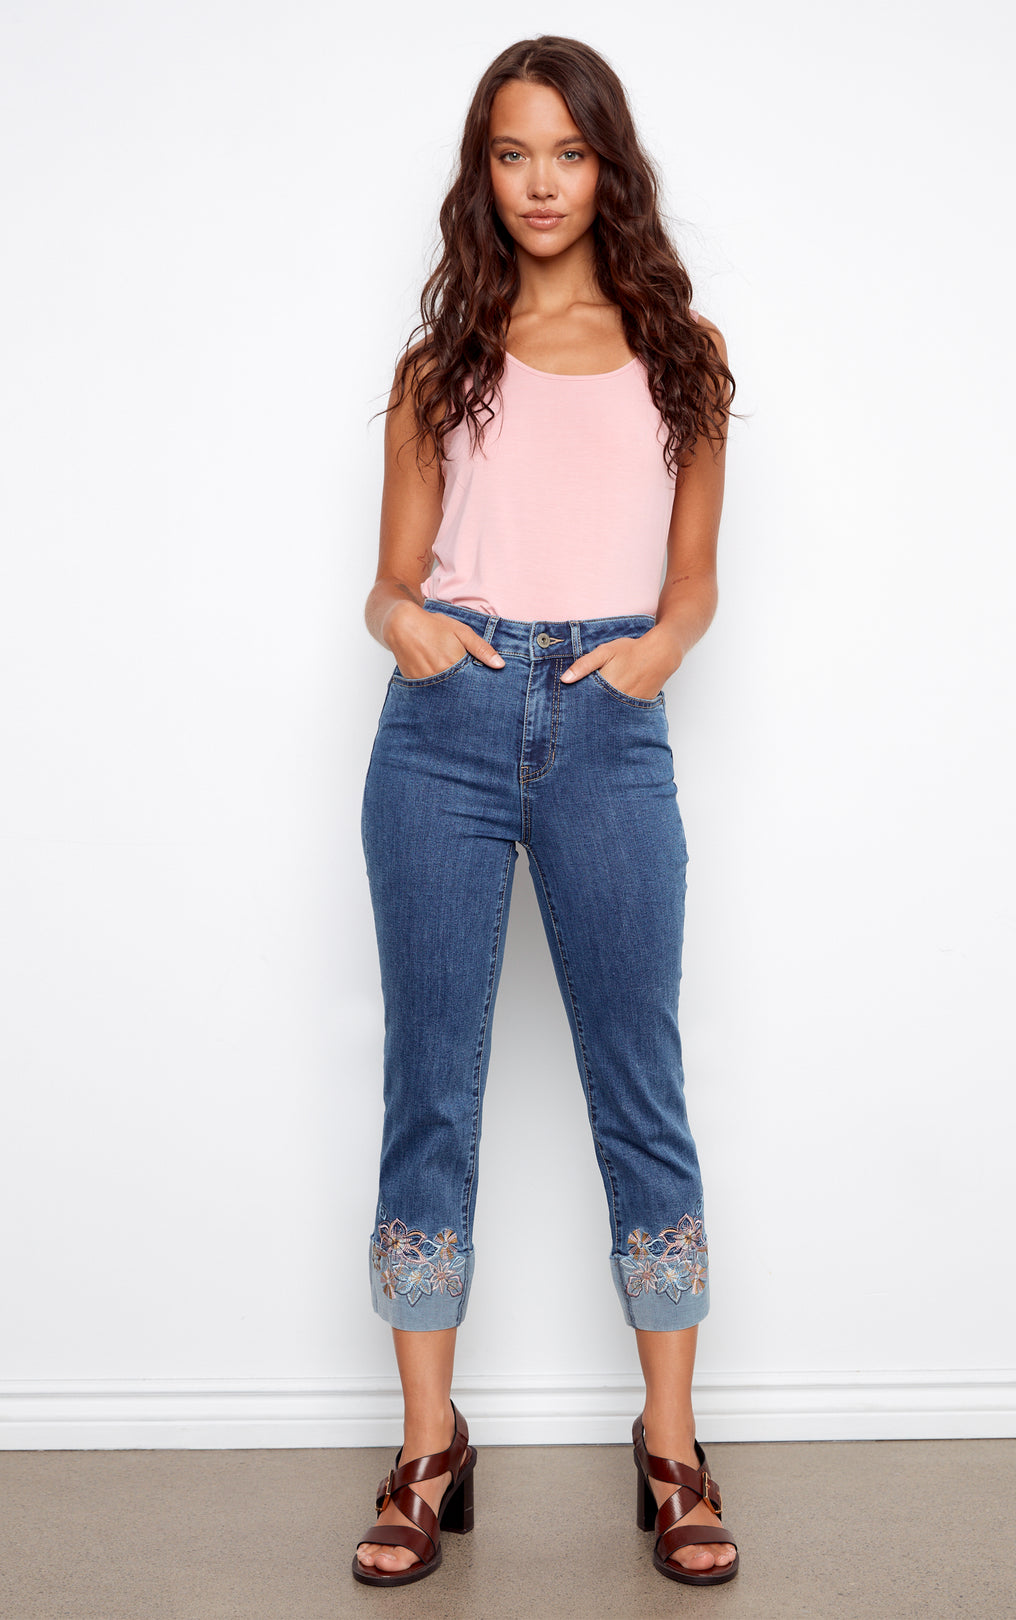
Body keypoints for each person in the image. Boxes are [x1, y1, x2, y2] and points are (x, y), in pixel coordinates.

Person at [352, 34, 739, 1590]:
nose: (538, 184)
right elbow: (387, 580)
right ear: (483, 169)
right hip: (440, 732)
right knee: (430, 1095)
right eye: (513, 155)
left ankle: (671, 1448)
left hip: (605, 726)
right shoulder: (437, 364)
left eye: (566, 155)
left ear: (607, 167)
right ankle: (429, 1451)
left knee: (636, 1085)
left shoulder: (682, 351)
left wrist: (644, 659)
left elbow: (698, 582)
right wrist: (411, 629)